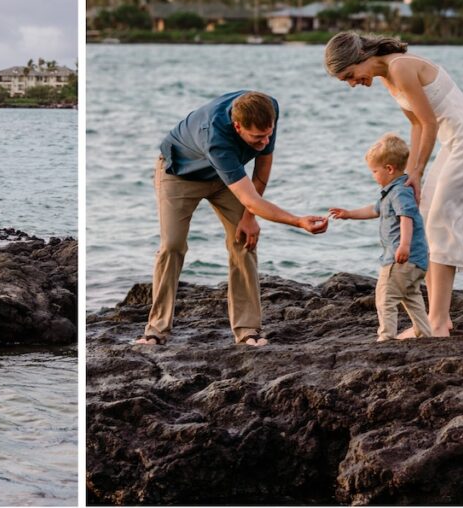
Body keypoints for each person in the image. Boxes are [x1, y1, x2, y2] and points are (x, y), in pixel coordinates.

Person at [324, 31, 463, 337]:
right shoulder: (389, 78)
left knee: (441, 222)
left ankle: (438, 322)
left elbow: (430, 122)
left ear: (360, 57)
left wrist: (416, 171)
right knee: (426, 219)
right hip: (453, 144)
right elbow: (416, 124)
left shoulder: (401, 67)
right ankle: (431, 319)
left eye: (350, 75)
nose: (353, 83)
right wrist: (411, 175)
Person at [135, 91, 329, 347]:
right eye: (258, 137)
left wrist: (249, 218)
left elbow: (261, 172)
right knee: (172, 245)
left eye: (269, 133)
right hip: (180, 175)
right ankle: (155, 331)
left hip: (226, 177)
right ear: (238, 127)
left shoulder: (269, 107)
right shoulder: (216, 138)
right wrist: (297, 221)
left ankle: (248, 330)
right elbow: (250, 198)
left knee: (244, 239)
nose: (265, 141)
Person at [328, 133, 433, 342]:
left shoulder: (399, 192)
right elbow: (374, 210)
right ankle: (425, 334)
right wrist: (348, 214)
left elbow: (407, 217)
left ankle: (386, 337)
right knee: (411, 295)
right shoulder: (392, 192)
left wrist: (404, 245)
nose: (373, 175)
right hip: (418, 260)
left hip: (401, 257)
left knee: (386, 296)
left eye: (374, 171)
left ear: (389, 169)